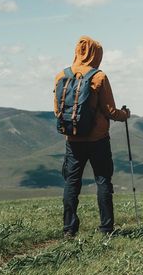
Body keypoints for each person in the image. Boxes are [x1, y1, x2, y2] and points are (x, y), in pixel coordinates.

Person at [53, 35, 130, 237]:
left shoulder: (61, 75)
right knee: (103, 181)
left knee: (71, 182)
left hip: (73, 139)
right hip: (98, 140)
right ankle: (106, 228)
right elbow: (110, 111)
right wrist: (125, 115)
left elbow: (57, 111)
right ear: (96, 54)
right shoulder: (99, 77)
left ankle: (69, 228)